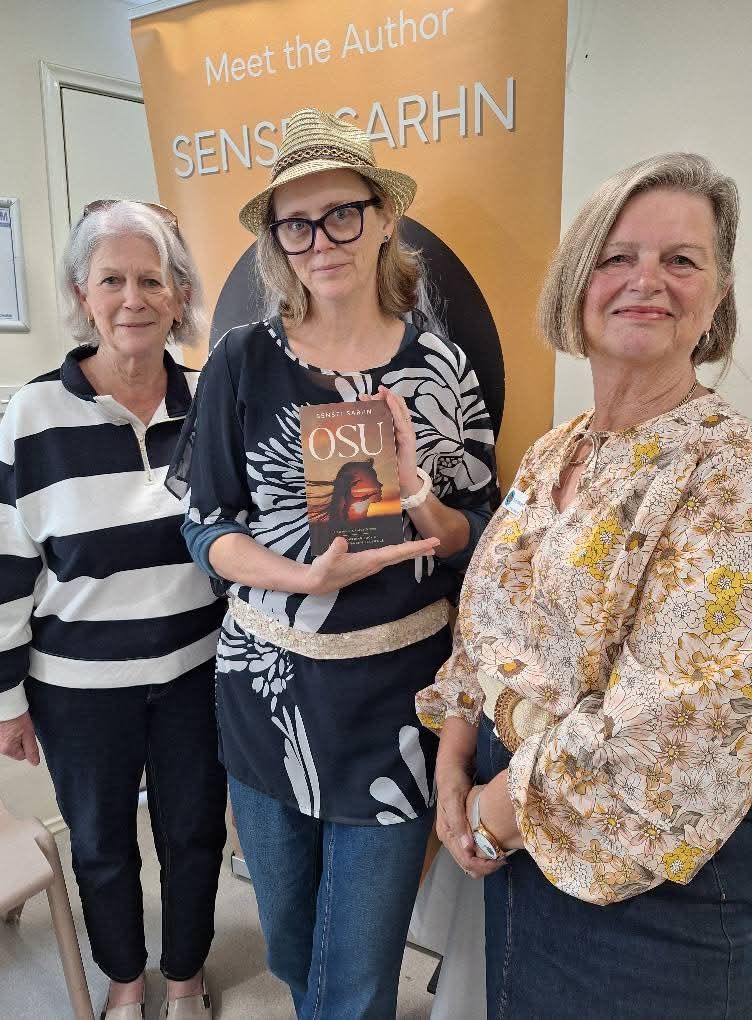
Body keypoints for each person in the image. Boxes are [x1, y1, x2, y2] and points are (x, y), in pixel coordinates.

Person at [168, 107, 498, 1020]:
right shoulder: (240, 361)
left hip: (397, 703)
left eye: (343, 214)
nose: (322, 242)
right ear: (277, 241)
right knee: (288, 939)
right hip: (266, 693)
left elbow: (479, 533)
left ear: (384, 217)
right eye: (298, 225)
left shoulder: (441, 365)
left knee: (356, 968)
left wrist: (419, 489)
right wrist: (301, 579)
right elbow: (205, 524)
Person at [417, 152, 752, 1019]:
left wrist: (490, 812)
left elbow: (675, 725)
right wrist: (453, 759)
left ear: (717, 296)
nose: (647, 280)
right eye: (617, 257)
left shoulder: (729, 474)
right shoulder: (554, 450)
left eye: (681, 260)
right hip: (518, 834)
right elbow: (485, 627)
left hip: (649, 881)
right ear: (576, 284)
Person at [0, 200, 227, 1020]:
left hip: (197, 673)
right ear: (82, 295)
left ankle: (185, 976)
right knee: (99, 847)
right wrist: (7, 700)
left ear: (179, 296)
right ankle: (125, 980)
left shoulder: (213, 402)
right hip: (77, 690)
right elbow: (6, 567)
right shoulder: (31, 415)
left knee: (194, 834)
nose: (133, 299)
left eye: (152, 281)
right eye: (112, 281)